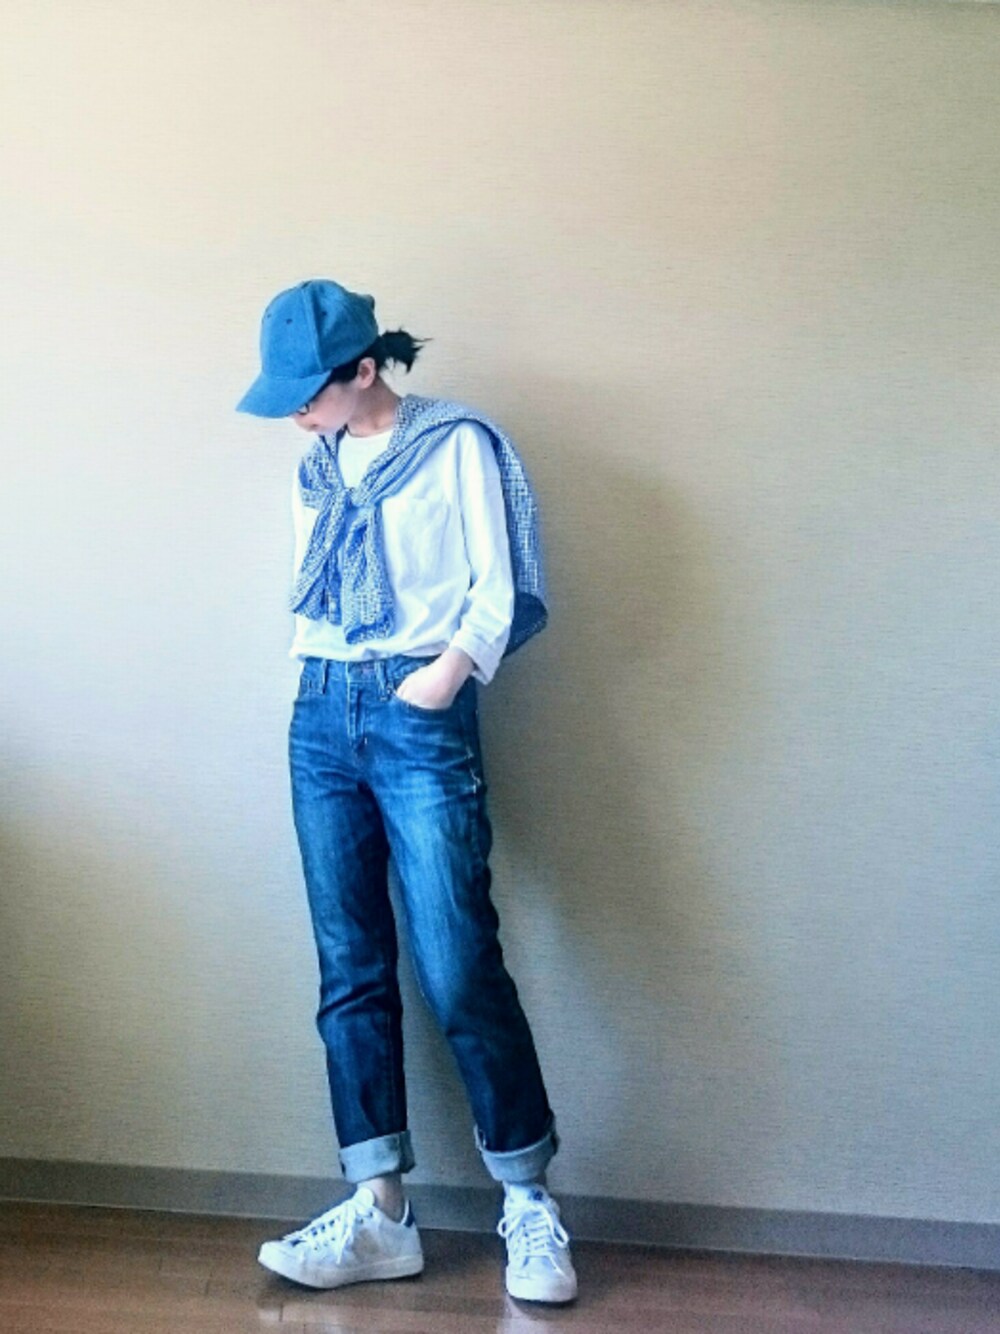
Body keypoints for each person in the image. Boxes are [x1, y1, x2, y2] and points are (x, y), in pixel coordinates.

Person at [235, 278, 577, 1304]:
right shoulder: (316, 466)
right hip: (320, 711)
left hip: (417, 708)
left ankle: (529, 1200)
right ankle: (379, 1208)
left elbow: (497, 579)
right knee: (349, 966)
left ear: (363, 369)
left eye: (308, 393)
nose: (296, 414)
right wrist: (318, 680)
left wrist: (443, 675)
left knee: (459, 960)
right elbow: (315, 588)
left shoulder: (457, 444)